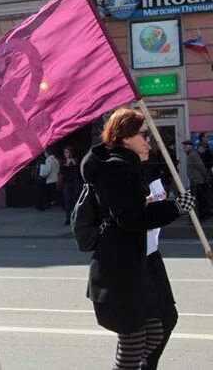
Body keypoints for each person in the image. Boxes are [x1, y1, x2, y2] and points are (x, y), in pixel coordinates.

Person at [81, 108, 195, 370]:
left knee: (155, 328)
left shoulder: (125, 165)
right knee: (132, 347)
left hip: (131, 268)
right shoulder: (115, 169)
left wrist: (153, 205)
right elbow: (129, 219)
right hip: (119, 272)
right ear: (125, 136)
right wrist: (175, 208)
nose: (148, 141)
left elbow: (125, 211)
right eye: (144, 134)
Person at [183, 140, 211, 221]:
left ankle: (198, 217)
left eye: (186, 146)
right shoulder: (190, 155)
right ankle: (200, 216)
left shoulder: (193, 155)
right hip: (195, 181)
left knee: (197, 200)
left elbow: (201, 166)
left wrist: (206, 176)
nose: (184, 148)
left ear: (191, 146)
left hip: (197, 181)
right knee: (198, 200)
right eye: (184, 146)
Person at [61, 146, 82, 225]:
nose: (65, 154)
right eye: (64, 152)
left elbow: (78, 169)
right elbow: (62, 171)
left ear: (71, 153)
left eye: (67, 152)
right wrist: (66, 164)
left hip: (75, 182)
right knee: (67, 201)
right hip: (67, 183)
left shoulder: (76, 160)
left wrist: (73, 162)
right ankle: (67, 218)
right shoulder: (63, 161)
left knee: (75, 200)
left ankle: (76, 218)